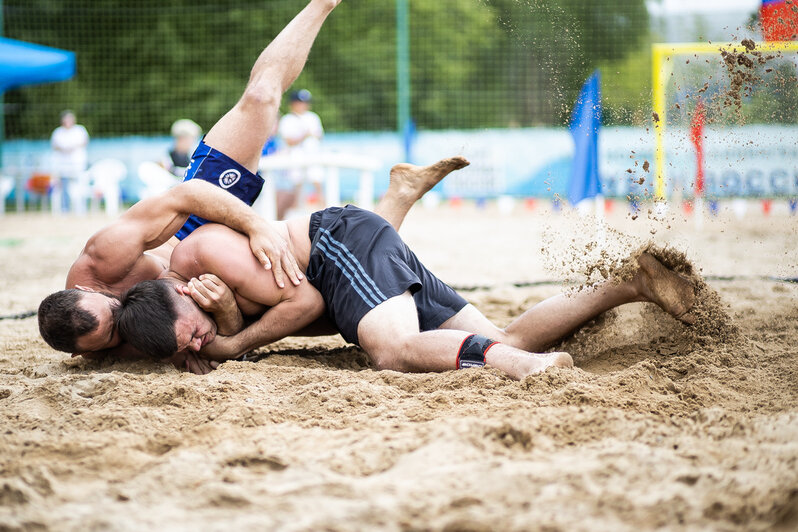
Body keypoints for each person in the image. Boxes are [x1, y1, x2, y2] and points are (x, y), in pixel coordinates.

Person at [37, 0, 348, 367]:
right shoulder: (104, 349)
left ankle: (321, 4)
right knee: (325, 312)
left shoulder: (103, 258)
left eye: (111, 307)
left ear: (85, 289)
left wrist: (255, 226)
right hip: (208, 287)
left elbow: (187, 194)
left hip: (191, 227)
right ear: (84, 351)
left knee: (261, 97)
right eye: (110, 332)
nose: (121, 314)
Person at [116, 201, 697, 380]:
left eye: (193, 335)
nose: (200, 344)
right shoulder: (197, 304)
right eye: (190, 348)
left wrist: (233, 343)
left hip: (343, 247)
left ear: (182, 294)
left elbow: (310, 303)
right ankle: (631, 284)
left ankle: (524, 367)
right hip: (356, 261)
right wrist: (220, 334)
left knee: (392, 351)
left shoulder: (207, 257)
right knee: (501, 334)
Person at [277, 89, 325, 218]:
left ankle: (324, 209)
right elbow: (289, 140)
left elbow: (319, 136)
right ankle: (295, 213)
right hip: (294, 158)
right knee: (295, 186)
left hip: (312, 156)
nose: (303, 105)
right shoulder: (287, 120)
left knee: (317, 181)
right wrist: (304, 135)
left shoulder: (313, 117)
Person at [50, 110, 89, 214]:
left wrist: (71, 147)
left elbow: (84, 142)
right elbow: (55, 146)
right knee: (64, 188)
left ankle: (81, 209)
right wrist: (65, 148)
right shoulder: (58, 132)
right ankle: (65, 210)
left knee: (80, 187)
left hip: (77, 165)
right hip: (63, 166)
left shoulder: (79, 130)